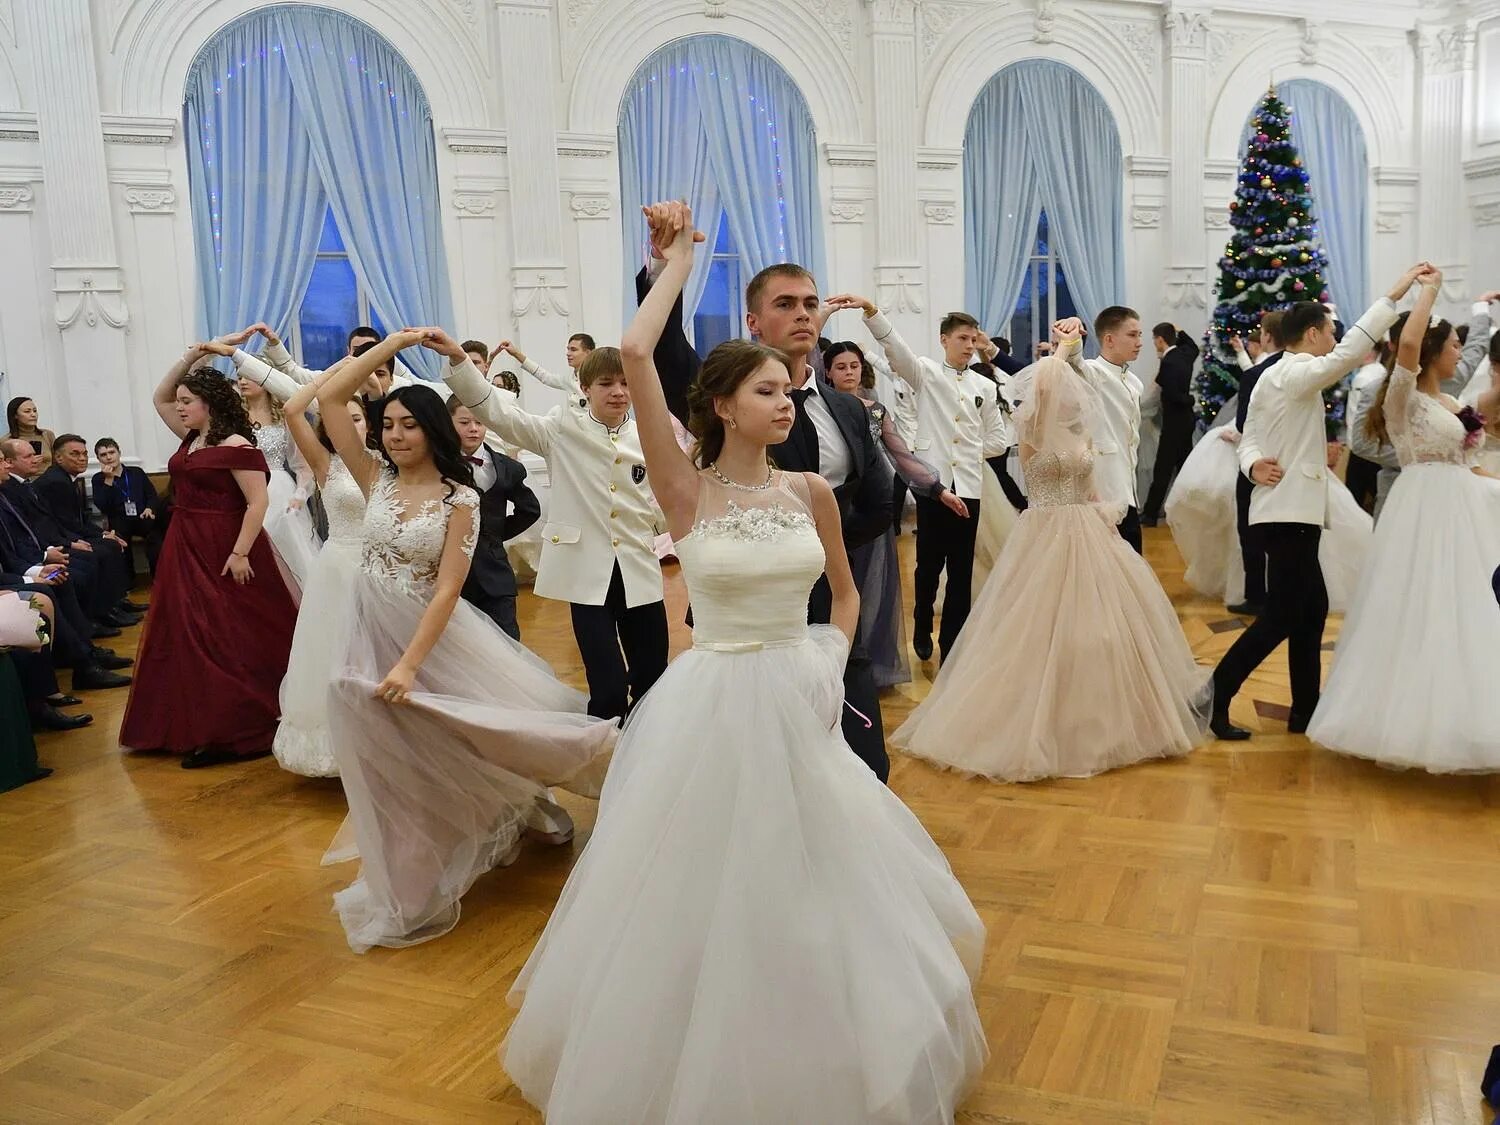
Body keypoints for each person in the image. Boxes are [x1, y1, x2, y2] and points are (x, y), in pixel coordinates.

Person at [503, 205, 985, 1123]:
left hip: (800, 687)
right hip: (714, 699)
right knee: (708, 879)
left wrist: (831, 661)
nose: (782, 399)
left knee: (819, 873)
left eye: (785, 388)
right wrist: (679, 264)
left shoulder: (811, 490)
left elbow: (846, 593)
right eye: (765, 389)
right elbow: (637, 357)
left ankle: (827, 1035)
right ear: (725, 405)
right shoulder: (685, 489)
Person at [313, 330, 615, 953]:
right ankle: (405, 884)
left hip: (425, 639)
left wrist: (408, 665)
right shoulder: (374, 479)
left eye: (408, 425)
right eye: (388, 424)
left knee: (471, 737)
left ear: (434, 432)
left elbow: (448, 590)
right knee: (384, 765)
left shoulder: (460, 500)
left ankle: (532, 802)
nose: (395, 435)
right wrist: (391, 345)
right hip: (364, 633)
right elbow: (331, 397)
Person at [892, 321, 1212, 780]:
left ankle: (1104, 718)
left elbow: (1089, 485)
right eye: (1063, 388)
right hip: (1044, 532)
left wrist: (1106, 510)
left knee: (1100, 630)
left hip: (1087, 530)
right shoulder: (1033, 430)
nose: (1071, 396)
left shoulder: (1081, 435)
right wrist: (1062, 352)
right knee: (1035, 627)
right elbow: (1041, 390)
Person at [1209, 265, 1423, 740]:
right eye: (1330, 330)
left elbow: (1250, 438)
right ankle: (1216, 694)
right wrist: (1393, 294)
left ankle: (1306, 709)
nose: (1336, 338)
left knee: (1312, 609)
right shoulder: (1298, 370)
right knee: (1285, 613)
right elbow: (1347, 355)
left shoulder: (1276, 375)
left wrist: (1251, 465)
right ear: (1312, 334)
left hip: (1286, 511)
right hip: (1286, 513)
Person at [1307, 270, 1500, 771]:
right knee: (1423, 606)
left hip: (1464, 509)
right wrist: (1428, 291)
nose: (1460, 352)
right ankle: (1408, 720)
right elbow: (1408, 339)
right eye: (1455, 344)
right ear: (1433, 350)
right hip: (1424, 509)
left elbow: (1476, 444)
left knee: (1471, 608)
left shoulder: (1452, 402)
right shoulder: (1403, 395)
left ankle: (1471, 717)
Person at [441, 338, 667, 722]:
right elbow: (497, 412)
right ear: (584, 387)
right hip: (586, 573)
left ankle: (645, 751)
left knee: (653, 676)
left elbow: (666, 495)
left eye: (626, 383)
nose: (618, 392)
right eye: (607, 383)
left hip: (640, 568)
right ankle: (604, 759)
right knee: (607, 686)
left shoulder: (650, 431)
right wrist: (459, 360)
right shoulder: (561, 428)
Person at [119, 344, 299, 767]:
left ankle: (232, 730)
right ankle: (189, 722)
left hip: (225, 542)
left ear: (208, 404)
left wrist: (239, 553)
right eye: (180, 402)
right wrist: (190, 358)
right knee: (185, 629)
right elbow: (159, 396)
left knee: (223, 632)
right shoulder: (192, 439)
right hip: (185, 542)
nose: (178, 408)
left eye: (187, 402)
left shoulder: (238, 444)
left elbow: (257, 503)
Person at [856, 306, 1005, 663]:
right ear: (944, 340)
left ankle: (952, 645)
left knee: (961, 569)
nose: (969, 346)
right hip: (932, 486)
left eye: (973, 339)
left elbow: (998, 441)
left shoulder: (984, 385)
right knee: (928, 566)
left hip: (969, 487)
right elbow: (896, 350)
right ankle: (922, 623)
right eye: (962, 339)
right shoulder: (926, 373)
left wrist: (967, 453)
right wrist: (873, 314)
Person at [823, 341, 967, 688]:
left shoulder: (876, 410)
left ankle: (867, 666)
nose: (848, 373)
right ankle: (830, 664)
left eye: (854, 366)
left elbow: (901, 456)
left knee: (872, 590)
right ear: (827, 371)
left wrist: (937, 489)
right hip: (831, 508)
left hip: (871, 510)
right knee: (831, 588)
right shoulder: (820, 408)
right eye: (840, 367)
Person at [271, 371, 369, 778]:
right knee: (335, 655)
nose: (349, 424)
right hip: (338, 568)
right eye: (339, 417)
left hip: (382, 567)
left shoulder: (391, 460)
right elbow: (293, 408)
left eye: (358, 417)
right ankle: (339, 746)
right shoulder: (326, 462)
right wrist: (334, 375)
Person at [448, 398, 540, 638]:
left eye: (479, 422)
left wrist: (494, 535)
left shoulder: (507, 467)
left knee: (508, 642)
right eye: (464, 422)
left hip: (495, 575)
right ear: (448, 423)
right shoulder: (438, 465)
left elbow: (530, 510)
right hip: (452, 575)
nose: (473, 428)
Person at [1062, 307, 1146, 552]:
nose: (1139, 343)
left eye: (1140, 335)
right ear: (1109, 339)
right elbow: (1075, 360)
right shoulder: (1093, 372)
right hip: (1101, 488)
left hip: (1127, 487)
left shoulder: (1135, 382)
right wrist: (1075, 326)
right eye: (1132, 335)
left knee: (1131, 564)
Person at [32, 434, 141, 610]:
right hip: (57, 540)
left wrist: (104, 534)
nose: (82, 458)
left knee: (111, 543)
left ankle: (116, 604)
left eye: (84, 453)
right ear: (58, 457)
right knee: (106, 549)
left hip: (68, 534)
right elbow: (67, 523)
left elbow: (78, 519)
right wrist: (75, 542)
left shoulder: (65, 478)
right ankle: (106, 610)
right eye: (75, 454)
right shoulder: (56, 482)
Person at [1227, 311, 1288, 614]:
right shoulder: (1304, 371)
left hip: (1259, 463)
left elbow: (1243, 424)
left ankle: (1257, 595)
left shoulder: (1255, 375)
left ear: (1265, 336)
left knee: (1250, 530)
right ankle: (1285, 591)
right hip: (1291, 462)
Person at [1140, 323, 1200, 525]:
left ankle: (1150, 514)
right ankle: (1191, 512)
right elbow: (1194, 346)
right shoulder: (1185, 354)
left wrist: (1188, 399)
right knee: (1186, 467)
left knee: (1163, 469)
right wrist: (1180, 331)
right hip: (1187, 421)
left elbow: (1173, 395)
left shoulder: (1168, 363)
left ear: (1159, 340)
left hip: (1174, 423)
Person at [91, 438, 167, 576]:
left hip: (142, 516)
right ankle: (128, 581)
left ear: (119, 453)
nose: (108, 457)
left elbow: (151, 495)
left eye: (111, 452)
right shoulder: (98, 479)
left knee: (155, 536)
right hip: (119, 520)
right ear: (98, 458)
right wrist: (108, 479)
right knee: (119, 540)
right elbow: (103, 506)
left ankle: (159, 576)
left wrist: (149, 508)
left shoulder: (136, 472)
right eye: (103, 455)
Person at [493, 334, 594, 398]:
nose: (568, 353)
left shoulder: (597, 380)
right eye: (568, 349)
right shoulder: (569, 379)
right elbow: (545, 377)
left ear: (588, 353)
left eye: (573, 349)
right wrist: (516, 353)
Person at [5, 397, 56, 472]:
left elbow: (57, 461)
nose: (33, 414)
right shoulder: (7, 441)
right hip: (25, 482)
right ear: (15, 415)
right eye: (27, 411)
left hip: (51, 480)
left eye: (35, 411)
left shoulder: (47, 435)